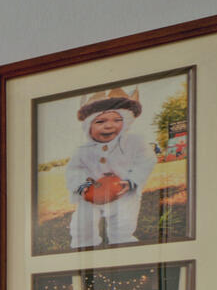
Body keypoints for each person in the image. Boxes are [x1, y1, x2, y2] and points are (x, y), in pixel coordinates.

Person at [65, 87, 155, 249]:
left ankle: (122, 244)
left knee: (123, 222)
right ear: (88, 126)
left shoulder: (134, 142)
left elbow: (146, 160)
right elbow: (74, 170)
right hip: (92, 193)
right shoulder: (82, 151)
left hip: (122, 191)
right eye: (100, 122)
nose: (109, 125)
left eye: (117, 120)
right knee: (82, 224)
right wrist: (82, 186)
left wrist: (133, 180)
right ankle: (84, 247)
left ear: (125, 122)